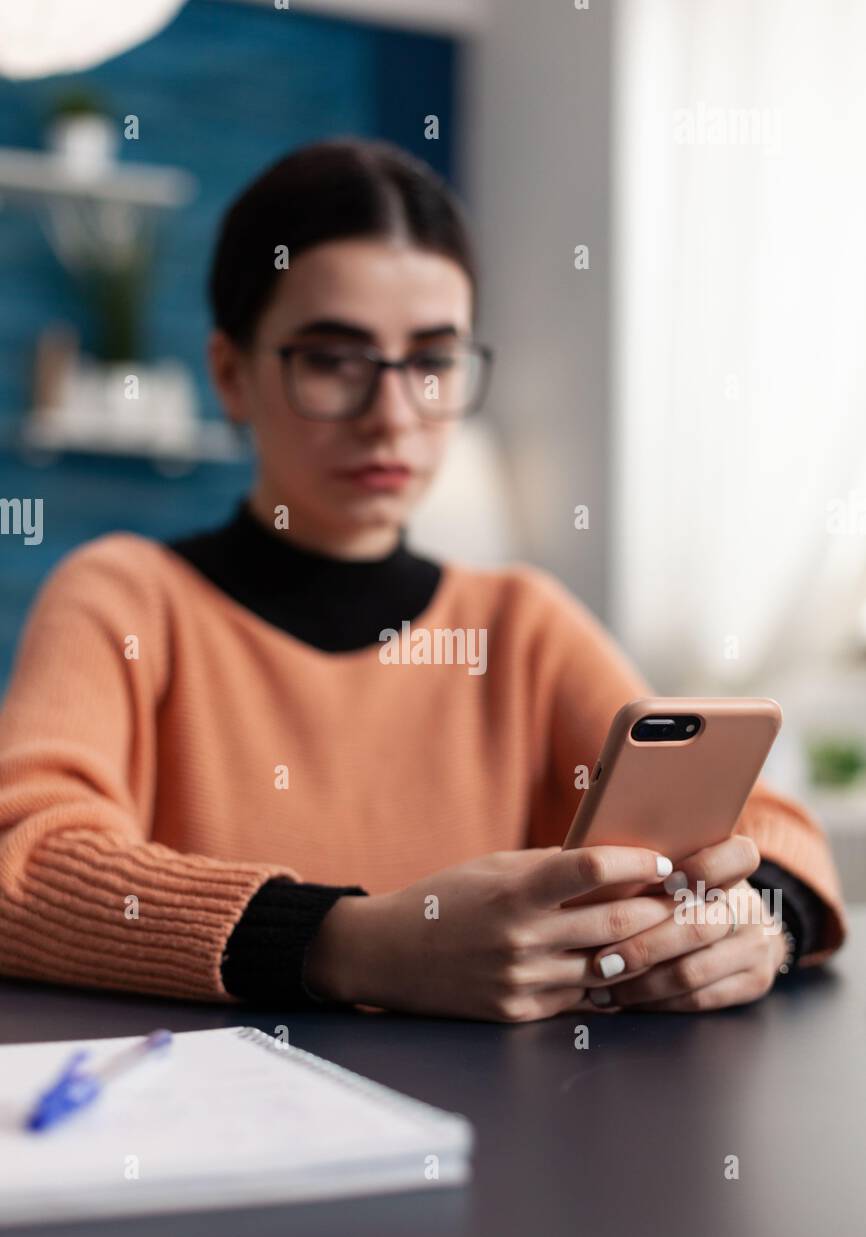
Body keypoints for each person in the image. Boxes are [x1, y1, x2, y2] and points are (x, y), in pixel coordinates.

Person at [0, 138, 846, 1022]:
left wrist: (758, 925)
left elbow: (772, 831)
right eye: (334, 359)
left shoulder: (521, 624)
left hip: (508, 1140)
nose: (393, 416)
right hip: (206, 1135)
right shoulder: (127, 596)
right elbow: (23, 860)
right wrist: (356, 944)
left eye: (433, 363)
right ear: (231, 374)